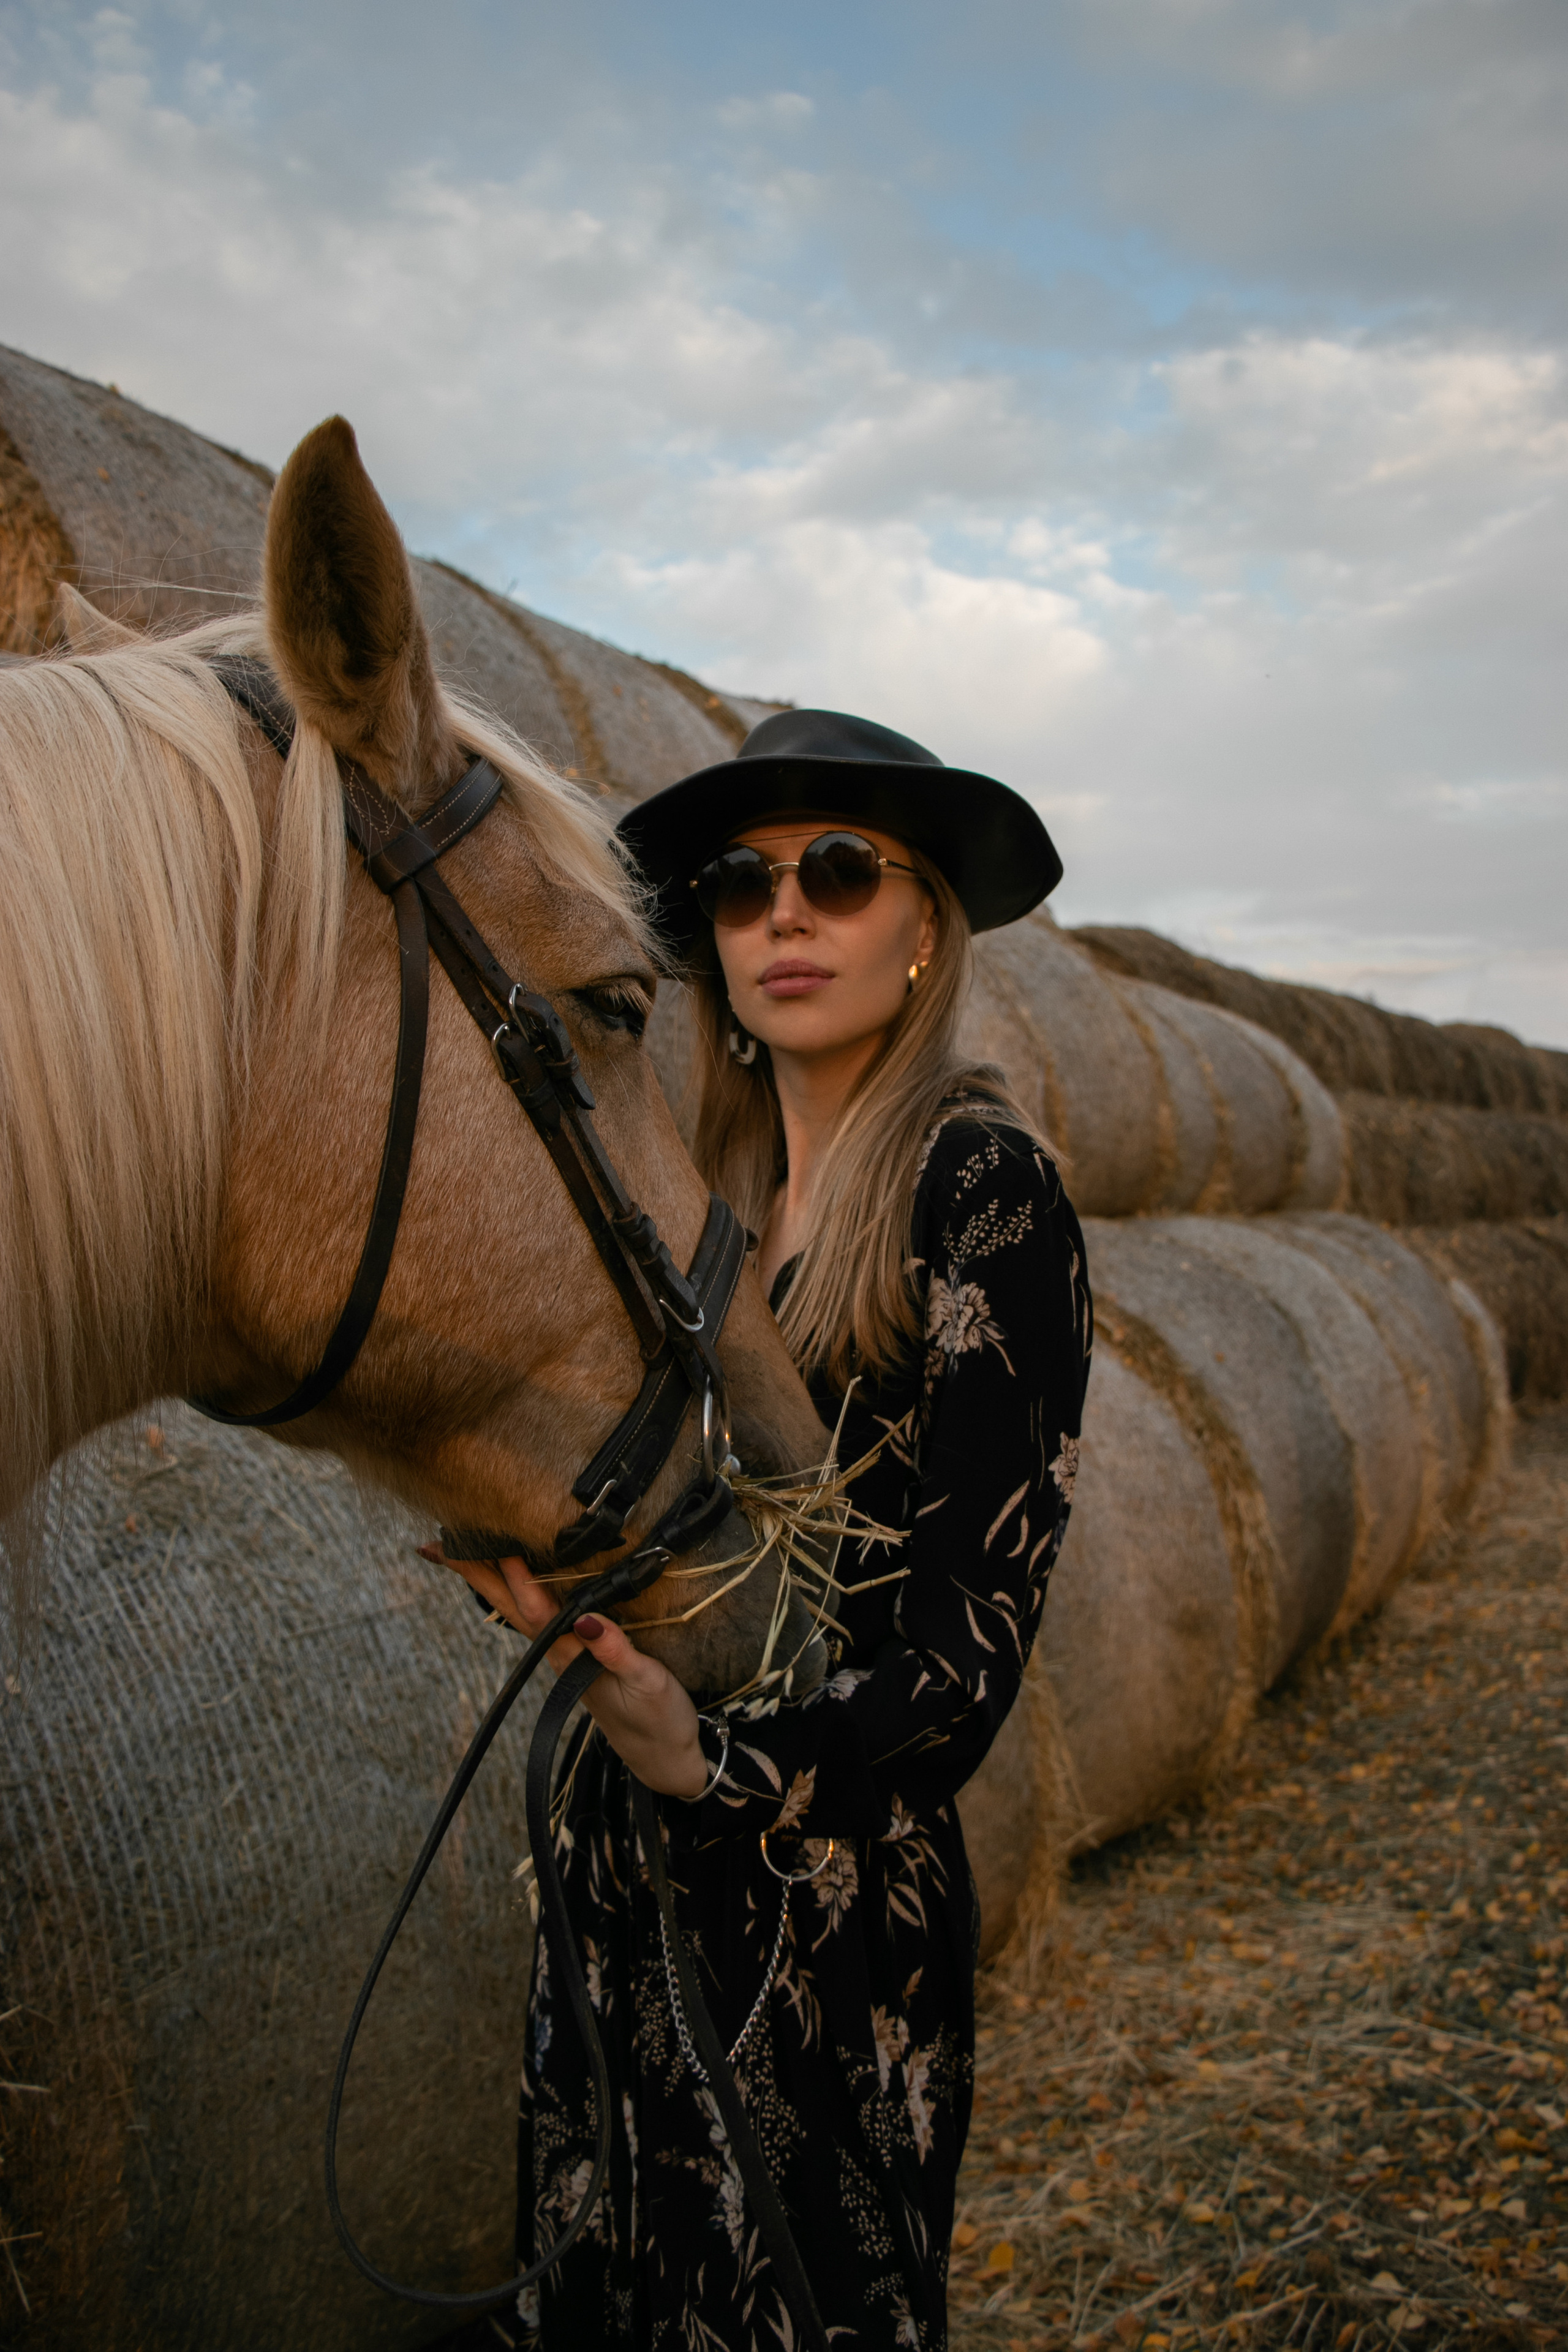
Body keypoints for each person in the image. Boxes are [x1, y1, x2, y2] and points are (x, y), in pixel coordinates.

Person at [448, 710, 1092, 2351]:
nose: (783, 914)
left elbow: (961, 1670)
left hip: (824, 1917)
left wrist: (717, 1770)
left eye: (838, 871)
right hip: (624, 1871)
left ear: (924, 922)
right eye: (740, 884)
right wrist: (564, 1592)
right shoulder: (697, 1216)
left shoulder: (984, 1193)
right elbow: (679, 1537)